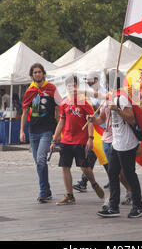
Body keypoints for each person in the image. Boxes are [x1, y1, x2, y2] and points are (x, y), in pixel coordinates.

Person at [50, 75, 105, 205]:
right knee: (65, 166)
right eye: (68, 86)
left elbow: (90, 121)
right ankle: (69, 195)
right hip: (66, 140)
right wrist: (55, 139)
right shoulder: (64, 102)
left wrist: (90, 139)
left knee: (84, 167)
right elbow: (61, 121)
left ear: (77, 86)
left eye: (73, 85)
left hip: (80, 140)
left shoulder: (84, 101)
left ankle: (93, 183)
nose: (71, 88)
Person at [96, 76, 142, 218]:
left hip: (127, 142)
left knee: (129, 174)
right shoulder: (110, 98)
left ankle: (138, 206)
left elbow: (131, 118)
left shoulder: (121, 97)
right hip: (116, 142)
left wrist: (117, 109)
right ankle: (113, 207)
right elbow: (103, 119)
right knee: (112, 173)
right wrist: (93, 120)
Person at [20, 63, 62, 203]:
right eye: (34, 72)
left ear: (43, 73)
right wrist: (22, 131)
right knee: (39, 163)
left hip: (47, 130)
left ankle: (43, 191)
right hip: (33, 131)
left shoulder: (51, 88)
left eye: (39, 72)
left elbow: (59, 107)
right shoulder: (29, 91)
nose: (37, 74)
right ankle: (47, 190)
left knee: (41, 159)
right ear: (32, 75)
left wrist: (59, 128)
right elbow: (25, 112)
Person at [73, 72, 110, 192]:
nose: (88, 83)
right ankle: (85, 181)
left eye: (90, 80)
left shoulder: (103, 92)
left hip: (104, 128)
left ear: (96, 79)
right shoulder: (89, 95)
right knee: (93, 155)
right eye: (87, 80)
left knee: (100, 156)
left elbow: (102, 110)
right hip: (94, 128)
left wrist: (92, 109)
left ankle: (112, 177)